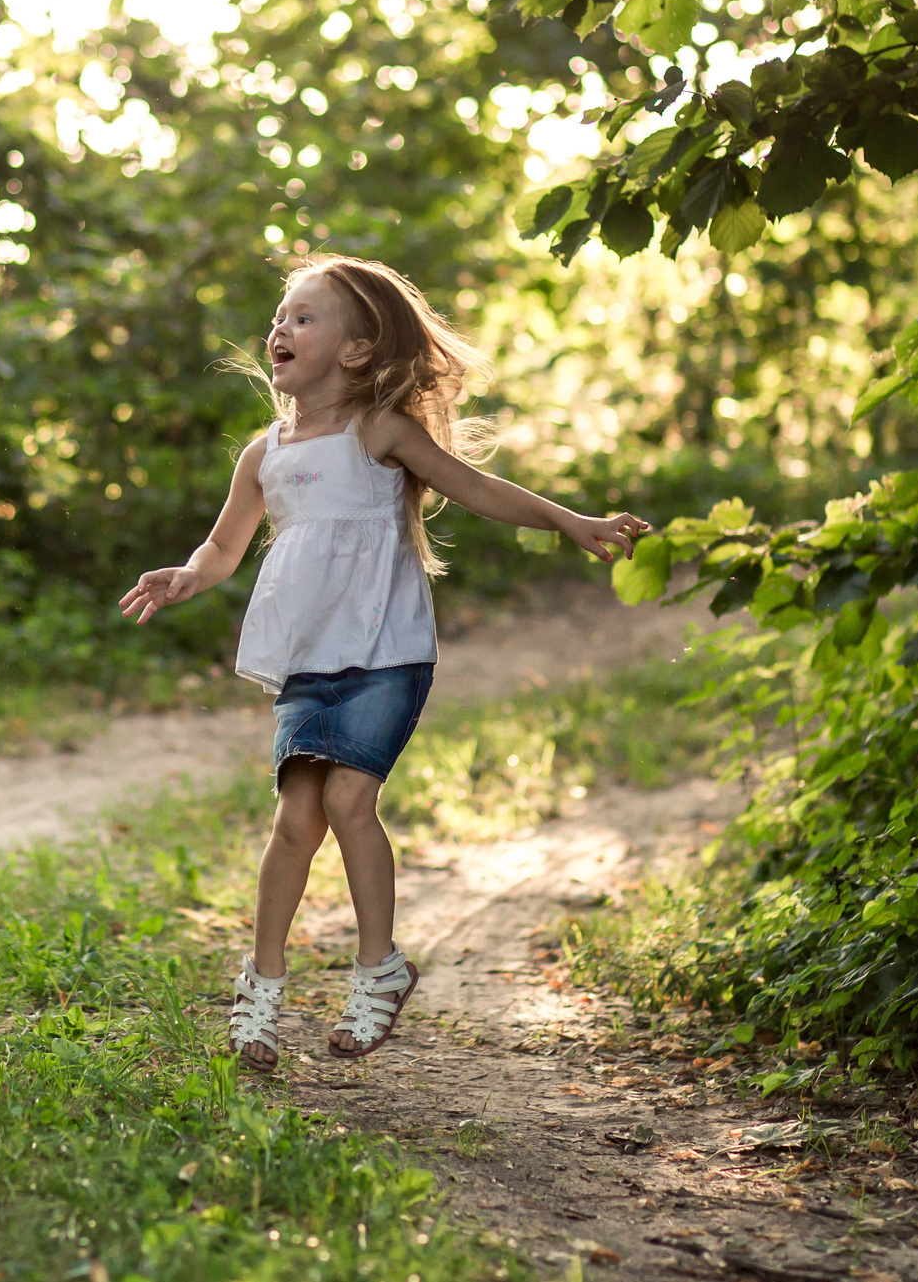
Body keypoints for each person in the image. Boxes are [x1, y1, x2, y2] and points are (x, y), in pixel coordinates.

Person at [119, 256, 652, 1068]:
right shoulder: (264, 452)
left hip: (387, 650)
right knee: (295, 818)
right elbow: (226, 544)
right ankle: (261, 984)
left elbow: (477, 488)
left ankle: (378, 968)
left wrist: (569, 520)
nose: (280, 329)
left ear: (358, 350)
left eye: (304, 317)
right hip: (307, 654)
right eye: (280, 317)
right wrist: (190, 573)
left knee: (347, 800)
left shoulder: (381, 432)